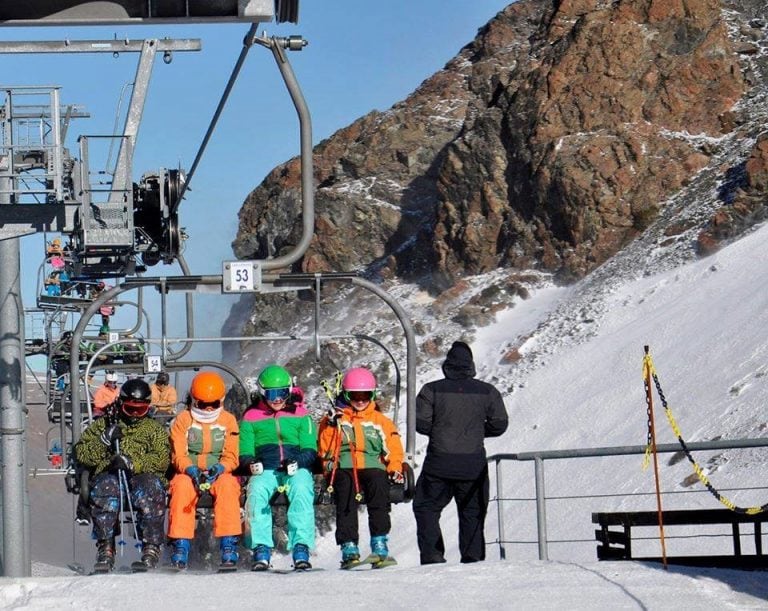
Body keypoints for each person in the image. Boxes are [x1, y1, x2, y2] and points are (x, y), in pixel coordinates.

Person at [413, 341, 508, 565]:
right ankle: (472, 558)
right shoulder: (488, 391)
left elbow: (420, 423)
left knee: (426, 507)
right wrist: (475, 431)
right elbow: (500, 424)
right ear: (470, 366)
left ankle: (433, 556)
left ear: (447, 365)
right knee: (472, 512)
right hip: (472, 465)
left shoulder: (431, 389)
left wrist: (441, 430)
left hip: (439, 463)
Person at [74, 378, 170, 572]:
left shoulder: (154, 430)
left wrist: (133, 463)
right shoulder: (105, 425)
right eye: (130, 409)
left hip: (142, 476)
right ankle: (106, 546)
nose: (135, 414)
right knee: (104, 488)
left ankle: (151, 548)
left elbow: (162, 459)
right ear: (121, 404)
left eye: (140, 410)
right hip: (111, 474)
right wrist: (104, 440)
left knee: (151, 488)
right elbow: (82, 454)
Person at [318, 367, 404, 568]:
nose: (360, 400)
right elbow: (325, 449)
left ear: (372, 395)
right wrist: (331, 425)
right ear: (346, 396)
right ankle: (349, 545)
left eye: (365, 395)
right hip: (344, 464)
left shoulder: (379, 421)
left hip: (372, 464)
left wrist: (395, 468)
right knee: (345, 492)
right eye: (354, 396)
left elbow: (393, 448)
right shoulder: (337, 419)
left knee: (378, 487)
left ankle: (379, 541)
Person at [239, 365, 317, 571]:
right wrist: (251, 463)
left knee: (301, 489)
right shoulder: (251, 417)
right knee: (256, 492)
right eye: (272, 394)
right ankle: (261, 548)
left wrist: (298, 462)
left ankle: (301, 546)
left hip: (295, 467)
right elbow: (245, 451)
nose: (277, 399)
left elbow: (310, 449)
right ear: (262, 393)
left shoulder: (301, 415)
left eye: (282, 393)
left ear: (289, 391)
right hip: (267, 468)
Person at [167, 371, 241, 569]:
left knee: (228, 486)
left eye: (214, 405)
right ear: (194, 400)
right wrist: (190, 470)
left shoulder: (227, 421)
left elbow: (232, 455)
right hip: (189, 472)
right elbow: (179, 454)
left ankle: (228, 545)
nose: (208, 410)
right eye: (202, 405)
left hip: (218, 472)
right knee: (181, 488)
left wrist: (221, 467)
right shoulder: (183, 420)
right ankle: (180, 545)